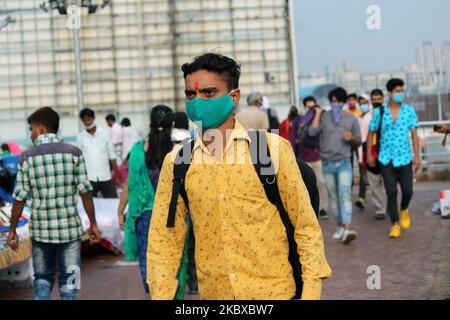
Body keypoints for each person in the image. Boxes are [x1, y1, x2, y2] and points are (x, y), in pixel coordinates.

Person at [147, 53, 331, 300]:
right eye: (191, 94)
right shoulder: (179, 161)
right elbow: (164, 241)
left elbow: (306, 227)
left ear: (234, 97)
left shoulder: (270, 150)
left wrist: (310, 293)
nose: (197, 101)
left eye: (208, 93)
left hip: (274, 293)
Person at [7, 107, 100, 300]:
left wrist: (13, 229)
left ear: (41, 129)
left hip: (41, 232)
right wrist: (93, 224)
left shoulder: (27, 157)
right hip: (70, 231)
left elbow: (19, 197)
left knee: (42, 278)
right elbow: (86, 192)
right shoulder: (74, 153)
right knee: (71, 282)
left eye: (31, 129)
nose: (30, 134)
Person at [117, 105, 189, 298]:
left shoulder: (138, 151)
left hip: (145, 219)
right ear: (172, 124)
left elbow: (130, 185)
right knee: (177, 261)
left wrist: (121, 210)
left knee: (150, 263)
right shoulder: (181, 151)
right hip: (174, 216)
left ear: (149, 123)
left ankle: (157, 294)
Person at [367, 79, 421, 238]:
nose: (400, 93)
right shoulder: (380, 112)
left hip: (404, 158)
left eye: (401, 90)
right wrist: (369, 154)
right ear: (389, 93)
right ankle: (395, 224)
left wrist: (417, 156)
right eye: (397, 91)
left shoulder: (409, 111)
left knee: (408, 191)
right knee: (391, 191)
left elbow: (414, 135)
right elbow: (371, 132)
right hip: (385, 158)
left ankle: (403, 209)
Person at [309, 87, 361, 244]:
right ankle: (340, 225)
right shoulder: (324, 117)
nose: (335, 104)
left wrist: (351, 138)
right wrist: (317, 114)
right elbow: (312, 132)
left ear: (343, 102)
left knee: (344, 194)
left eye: (338, 101)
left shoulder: (351, 119)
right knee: (333, 196)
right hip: (327, 163)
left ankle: (346, 227)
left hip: (344, 162)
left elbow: (359, 141)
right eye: (332, 101)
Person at [291, 96, 329, 220]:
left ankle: (323, 208)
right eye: (309, 106)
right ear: (304, 106)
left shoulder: (321, 119)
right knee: (304, 185)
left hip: (317, 157)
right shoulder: (299, 120)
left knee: (321, 183)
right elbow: (292, 138)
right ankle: (308, 209)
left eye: (314, 107)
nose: (311, 109)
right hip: (303, 158)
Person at [77, 108, 120, 198]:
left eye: (89, 119)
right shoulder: (81, 137)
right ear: (82, 121)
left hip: (105, 176)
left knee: (113, 202)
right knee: (89, 206)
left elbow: (112, 156)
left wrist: (117, 175)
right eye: (85, 121)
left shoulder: (105, 133)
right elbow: (79, 159)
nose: (88, 122)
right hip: (89, 178)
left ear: (93, 118)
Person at [360, 89, 387, 220]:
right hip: (370, 153)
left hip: (386, 153)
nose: (376, 102)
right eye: (374, 100)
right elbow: (363, 139)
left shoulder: (388, 114)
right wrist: (363, 157)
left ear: (383, 99)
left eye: (379, 99)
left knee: (389, 182)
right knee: (374, 183)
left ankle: (390, 205)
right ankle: (380, 208)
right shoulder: (366, 118)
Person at [354, 93, 371, 209]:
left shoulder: (373, 116)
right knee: (363, 174)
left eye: (364, 103)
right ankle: (361, 197)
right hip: (361, 148)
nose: (362, 105)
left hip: (373, 148)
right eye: (360, 104)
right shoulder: (358, 119)